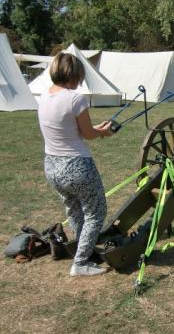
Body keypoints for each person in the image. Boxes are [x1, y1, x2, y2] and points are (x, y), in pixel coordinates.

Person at [37, 52, 113, 277]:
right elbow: (88, 135)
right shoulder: (75, 98)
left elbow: (72, 129)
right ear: (74, 73)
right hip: (76, 167)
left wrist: (95, 129)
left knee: (75, 210)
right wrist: (103, 132)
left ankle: (83, 249)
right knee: (96, 212)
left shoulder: (44, 96)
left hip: (52, 166)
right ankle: (80, 263)